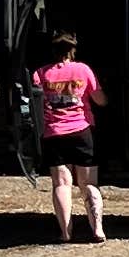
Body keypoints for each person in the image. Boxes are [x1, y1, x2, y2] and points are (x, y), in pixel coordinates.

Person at [33, 29, 106, 242]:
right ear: (72, 50)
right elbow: (99, 99)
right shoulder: (83, 70)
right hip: (82, 132)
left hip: (54, 133)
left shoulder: (40, 73)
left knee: (61, 184)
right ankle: (97, 229)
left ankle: (65, 232)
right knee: (89, 184)